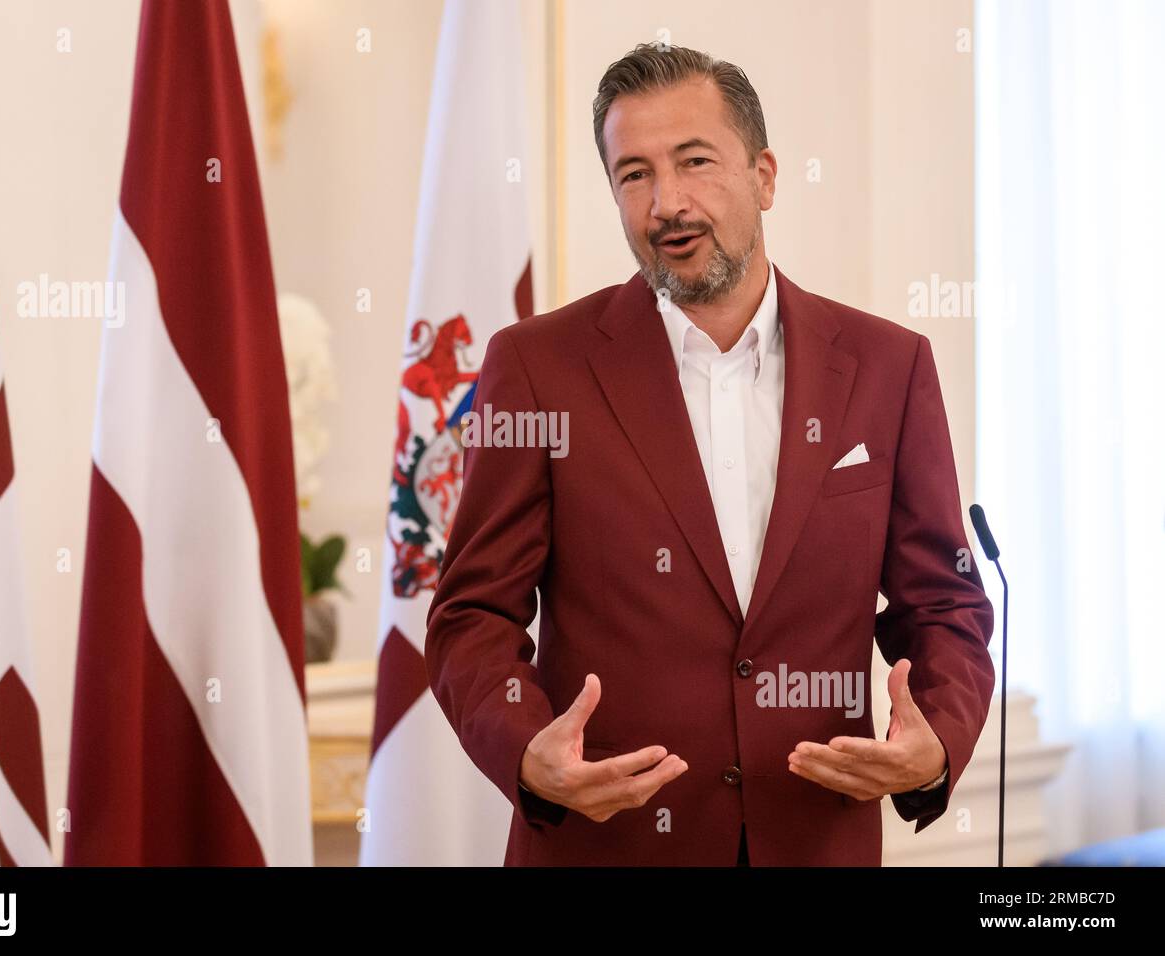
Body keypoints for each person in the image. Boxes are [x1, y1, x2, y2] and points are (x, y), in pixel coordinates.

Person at [424, 42, 994, 866]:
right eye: (634, 174)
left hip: (816, 839)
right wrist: (526, 750)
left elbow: (942, 602)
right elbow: (472, 613)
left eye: (696, 162)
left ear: (764, 176)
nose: (668, 203)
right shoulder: (537, 366)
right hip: (606, 847)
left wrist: (936, 739)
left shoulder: (887, 367)